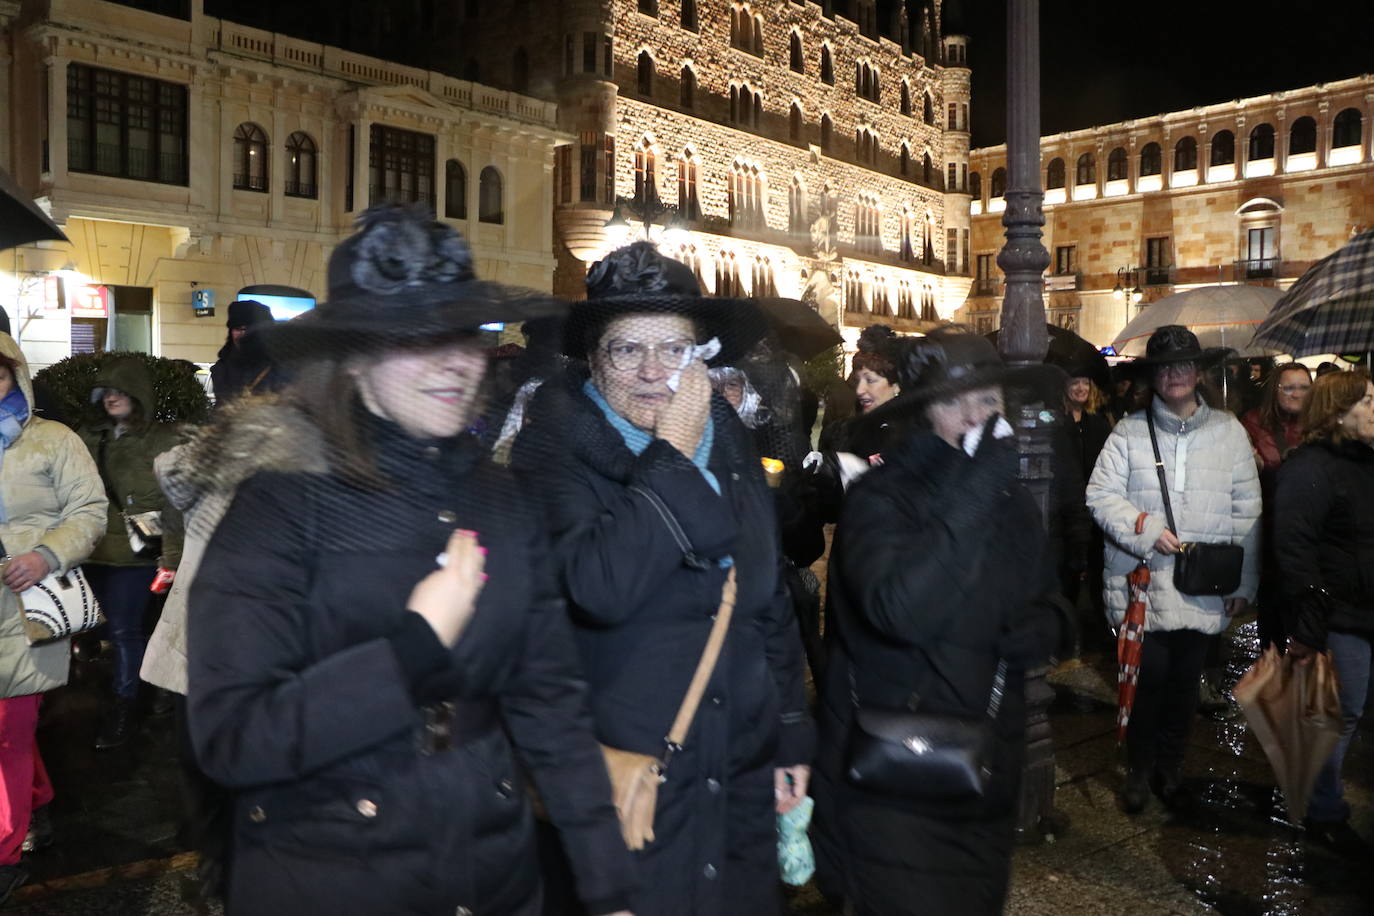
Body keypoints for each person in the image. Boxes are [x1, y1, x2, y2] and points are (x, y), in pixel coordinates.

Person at [186, 206, 633, 916]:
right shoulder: (279, 504)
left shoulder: (502, 497)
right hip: (330, 880)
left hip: (495, 876)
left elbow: (551, 704)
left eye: (465, 333)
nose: (457, 360)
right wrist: (411, 651)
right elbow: (233, 738)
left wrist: (608, 882)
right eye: (420, 337)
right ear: (355, 354)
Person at [511, 241, 813, 916]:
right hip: (631, 778)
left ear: (701, 357)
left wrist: (790, 735)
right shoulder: (553, 443)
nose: (652, 370)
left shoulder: (728, 437)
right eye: (627, 349)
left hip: (737, 767)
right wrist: (672, 453)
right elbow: (598, 585)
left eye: (674, 348)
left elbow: (765, 600)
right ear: (594, 357)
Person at [811, 328, 1061, 915]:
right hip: (896, 779)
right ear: (924, 414)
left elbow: (1047, 593)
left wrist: (1049, 623)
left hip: (984, 770)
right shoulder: (882, 499)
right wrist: (974, 491)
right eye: (954, 402)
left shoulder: (1012, 503)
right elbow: (898, 610)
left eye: (988, 402)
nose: (975, 418)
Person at [1086, 325, 1261, 814]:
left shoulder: (1229, 431)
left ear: (1198, 373)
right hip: (1144, 585)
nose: (1175, 375)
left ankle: (1171, 766)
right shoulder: (1128, 431)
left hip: (1205, 585)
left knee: (1185, 687)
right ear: (1153, 376)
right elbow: (1100, 496)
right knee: (1146, 684)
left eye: (1184, 365)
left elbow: (1248, 512)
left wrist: (1244, 583)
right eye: (1165, 367)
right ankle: (1140, 770)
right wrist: (1143, 527)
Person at [0, 334, 107, 903]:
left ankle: (4, 852)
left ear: (15, 377)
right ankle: (36, 802)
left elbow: (90, 509)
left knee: (7, 733)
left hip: (30, 605)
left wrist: (45, 554)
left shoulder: (52, 440)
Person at [1274, 369, 1374, 858]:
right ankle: (1322, 810)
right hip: (1337, 617)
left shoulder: (1365, 461)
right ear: (1338, 411)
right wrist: (1309, 629)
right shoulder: (1309, 468)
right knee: (1337, 715)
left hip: (1365, 608)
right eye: (1369, 402)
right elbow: (1295, 553)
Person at [78, 356, 182, 751]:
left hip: (138, 553)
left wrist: (170, 558)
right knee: (100, 628)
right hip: (91, 549)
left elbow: (176, 503)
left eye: (121, 392)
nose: (112, 398)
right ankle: (146, 686)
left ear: (139, 396)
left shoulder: (161, 440)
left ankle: (126, 707)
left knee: (125, 630)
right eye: (106, 392)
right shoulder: (88, 436)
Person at [1240, 363, 1313, 649]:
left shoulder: (1321, 422)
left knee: (1306, 612)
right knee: (1272, 609)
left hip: (1311, 532)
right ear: (1275, 390)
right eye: (1289, 387)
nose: (1297, 394)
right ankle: (1273, 673)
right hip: (1270, 529)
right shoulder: (1253, 422)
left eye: (1304, 387)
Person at [209, 300, 277, 404]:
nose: (242, 334)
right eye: (237, 328)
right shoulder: (221, 367)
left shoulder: (277, 366)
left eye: (248, 329)